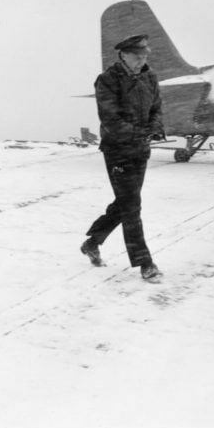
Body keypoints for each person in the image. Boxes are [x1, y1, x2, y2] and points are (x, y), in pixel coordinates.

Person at [80, 33, 166, 283]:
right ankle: (145, 263)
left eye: (144, 56)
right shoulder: (108, 80)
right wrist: (139, 133)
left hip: (141, 149)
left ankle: (92, 242)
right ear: (123, 56)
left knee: (126, 203)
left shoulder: (150, 77)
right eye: (137, 57)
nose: (142, 61)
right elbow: (110, 119)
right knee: (131, 207)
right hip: (118, 150)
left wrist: (155, 127)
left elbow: (157, 107)